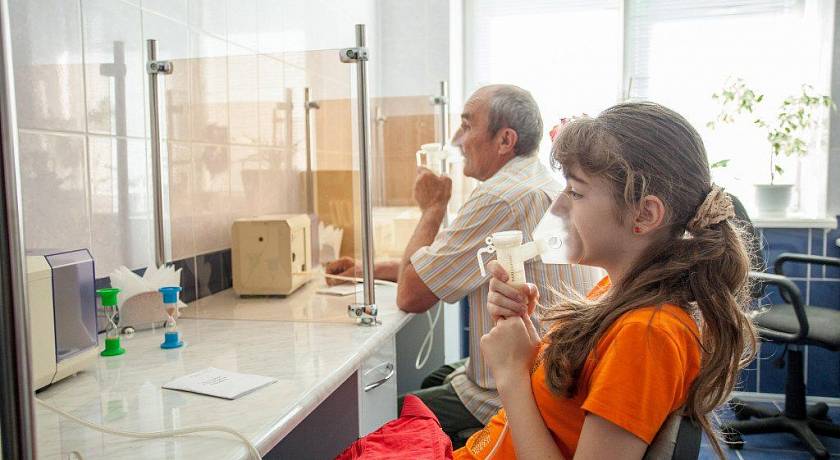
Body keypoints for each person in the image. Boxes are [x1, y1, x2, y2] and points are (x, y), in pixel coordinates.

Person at [454, 102, 758, 459]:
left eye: (576, 193)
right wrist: (525, 341)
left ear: (645, 214)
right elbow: (564, 411)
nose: (558, 208)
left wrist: (509, 375)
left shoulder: (647, 335)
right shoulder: (617, 292)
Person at [325, 85, 603, 447]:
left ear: (505, 140)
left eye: (467, 125)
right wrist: (368, 269)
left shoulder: (501, 196)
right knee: (432, 380)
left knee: (380, 416)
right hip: (550, 373)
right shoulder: (534, 182)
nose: (457, 140)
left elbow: (411, 295)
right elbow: (448, 261)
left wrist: (433, 207)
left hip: (516, 395)